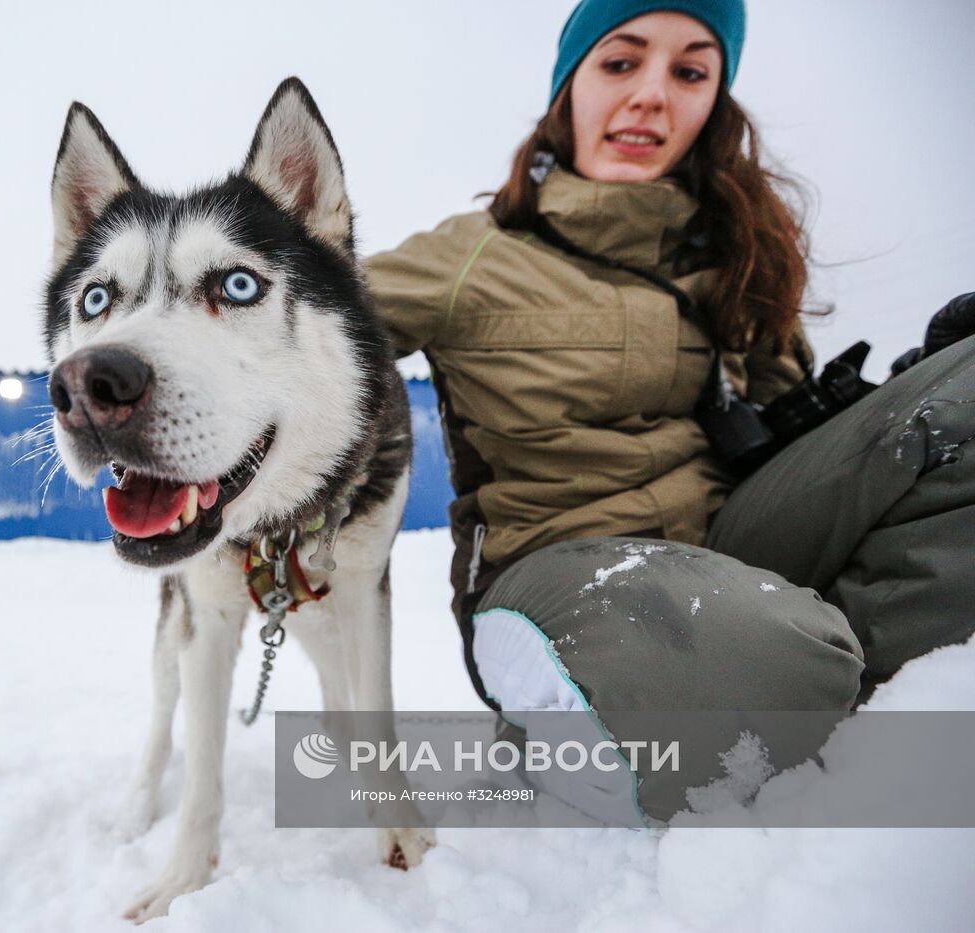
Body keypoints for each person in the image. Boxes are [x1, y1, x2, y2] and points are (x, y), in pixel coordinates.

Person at [364, 0, 975, 821]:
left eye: (690, 71)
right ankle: (799, 693)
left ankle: (826, 695)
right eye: (621, 62)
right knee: (757, 651)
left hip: (732, 549)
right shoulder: (470, 255)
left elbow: (788, 431)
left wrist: (912, 386)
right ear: (569, 87)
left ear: (714, 104)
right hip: (557, 573)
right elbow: (294, 336)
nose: (654, 94)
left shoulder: (735, 251)